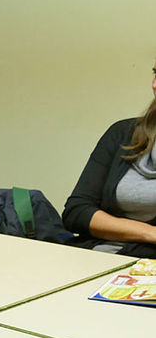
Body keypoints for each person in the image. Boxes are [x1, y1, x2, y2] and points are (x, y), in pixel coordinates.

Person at [62, 61, 156, 257]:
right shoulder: (122, 133)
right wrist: (150, 233)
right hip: (98, 254)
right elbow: (76, 212)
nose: (154, 84)